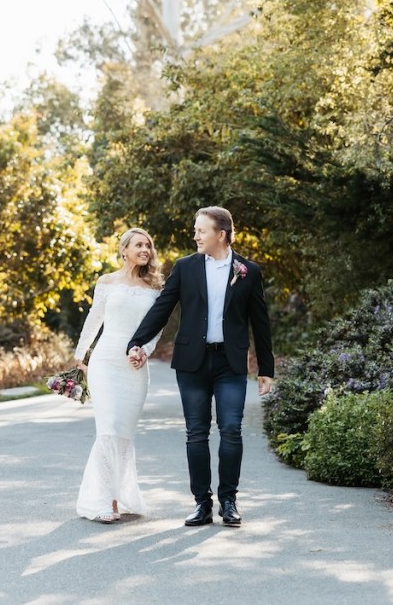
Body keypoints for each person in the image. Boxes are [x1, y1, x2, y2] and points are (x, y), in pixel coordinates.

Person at [127, 206, 274, 528]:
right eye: (195, 230)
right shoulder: (185, 268)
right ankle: (201, 504)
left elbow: (260, 323)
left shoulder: (248, 271)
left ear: (220, 235)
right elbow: (162, 309)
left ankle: (230, 502)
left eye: (201, 230)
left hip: (230, 363)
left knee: (231, 430)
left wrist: (266, 369)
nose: (195, 235)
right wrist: (136, 342)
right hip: (192, 362)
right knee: (196, 433)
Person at [73, 228, 164, 523]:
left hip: (135, 365)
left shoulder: (155, 288)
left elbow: (157, 327)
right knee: (108, 427)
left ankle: (120, 496)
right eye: (139, 245)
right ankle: (101, 500)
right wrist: (80, 354)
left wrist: (144, 351)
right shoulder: (107, 281)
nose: (145, 250)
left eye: (148, 245)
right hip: (105, 361)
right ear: (124, 250)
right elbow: (93, 319)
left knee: (123, 434)